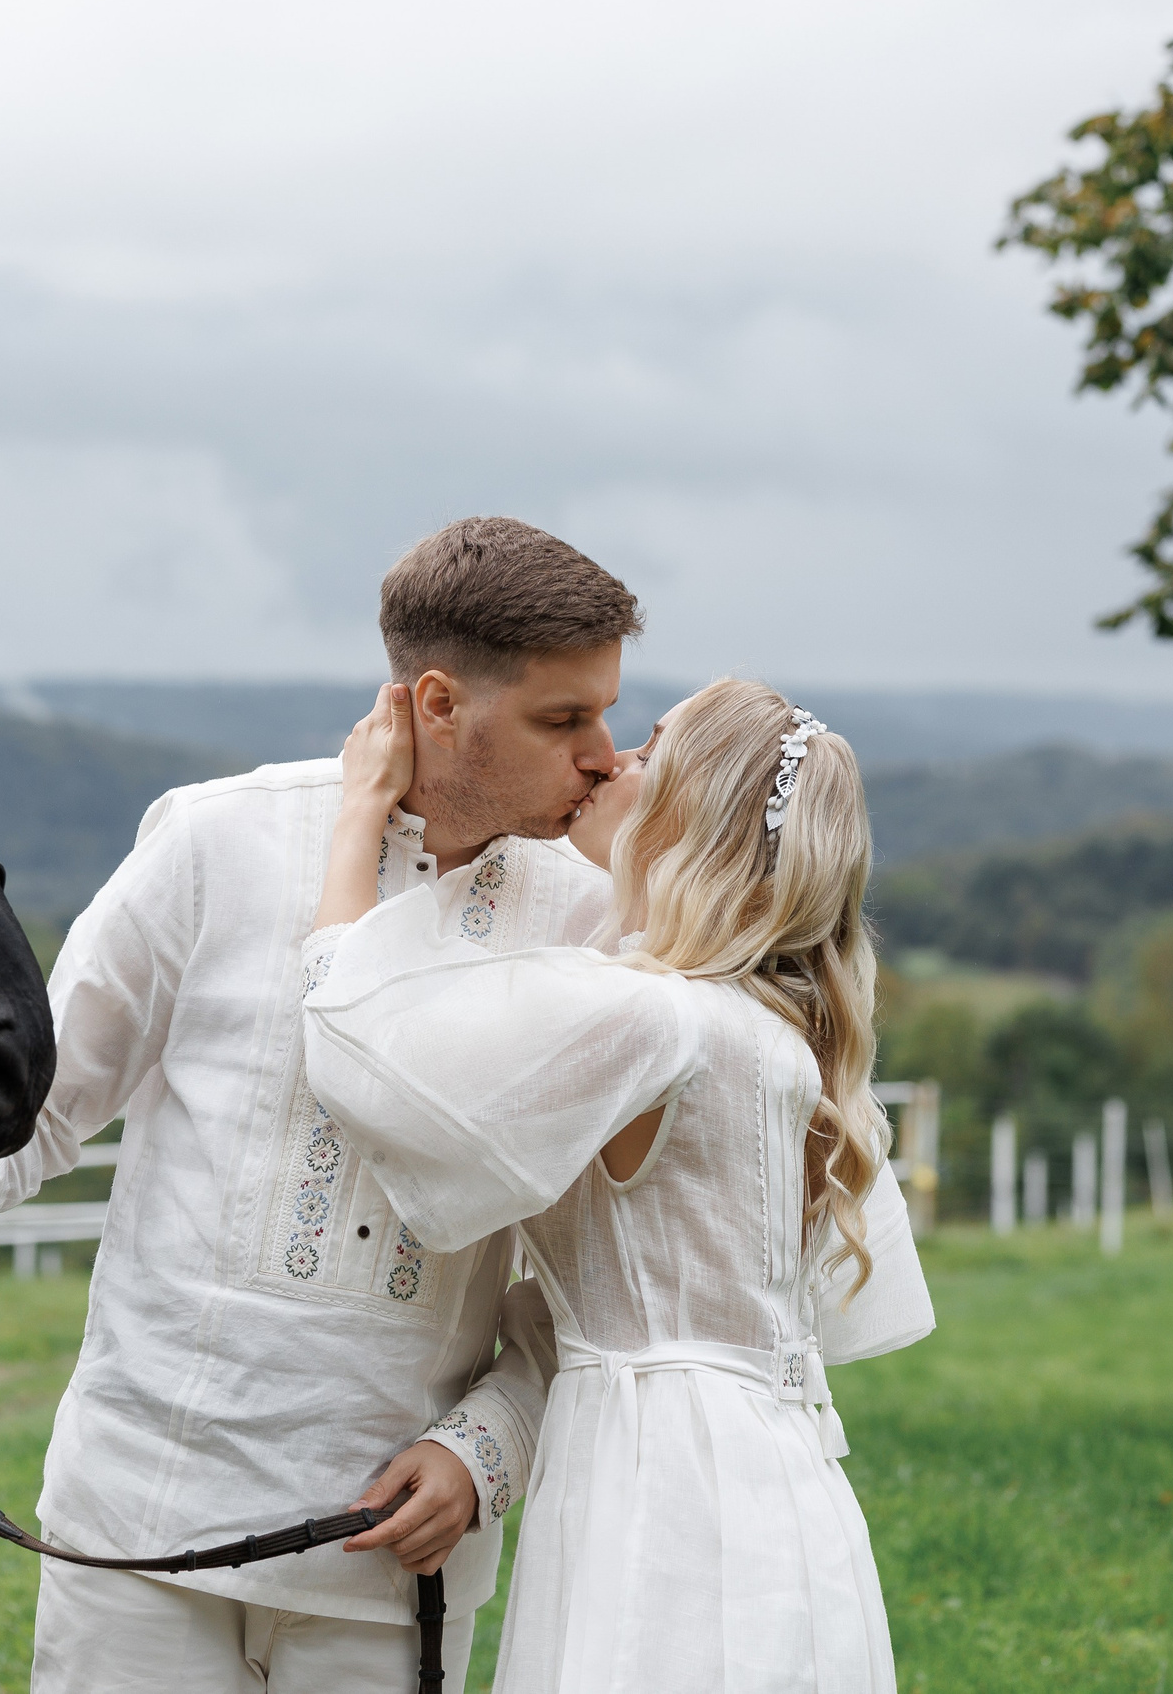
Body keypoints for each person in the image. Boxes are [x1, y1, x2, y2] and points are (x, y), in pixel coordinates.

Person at [0, 517, 643, 1691]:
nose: (604, 757)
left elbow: (597, 1274)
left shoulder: (589, 916)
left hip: (390, 1551)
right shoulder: (219, 839)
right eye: (563, 719)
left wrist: (490, 1444)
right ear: (436, 703)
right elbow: (54, 1099)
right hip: (142, 1516)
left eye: (605, 714)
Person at [300, 676, 937, 1693]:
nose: (610, 763)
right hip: (770, 1471)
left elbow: (358, 1041)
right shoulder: (771, 1029)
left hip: (663, 1474)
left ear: (690, 814)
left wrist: (357, 819)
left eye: (648, 753)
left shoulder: (655, 1019)